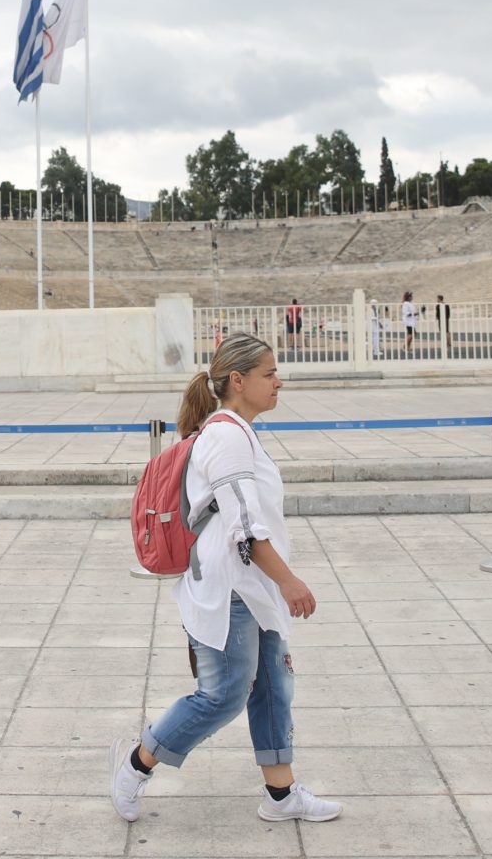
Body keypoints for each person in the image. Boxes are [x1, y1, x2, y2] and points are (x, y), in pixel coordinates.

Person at [111, 334, 342, 825]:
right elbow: (244, 531)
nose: (279, 382)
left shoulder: (238, 430)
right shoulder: (227, 436)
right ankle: (135, 763)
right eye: (269, 374)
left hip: (253, 587)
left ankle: (281, 796)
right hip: (233, 588)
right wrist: (290, 581)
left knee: (274, 686)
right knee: (222, 696)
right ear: (238, 380)